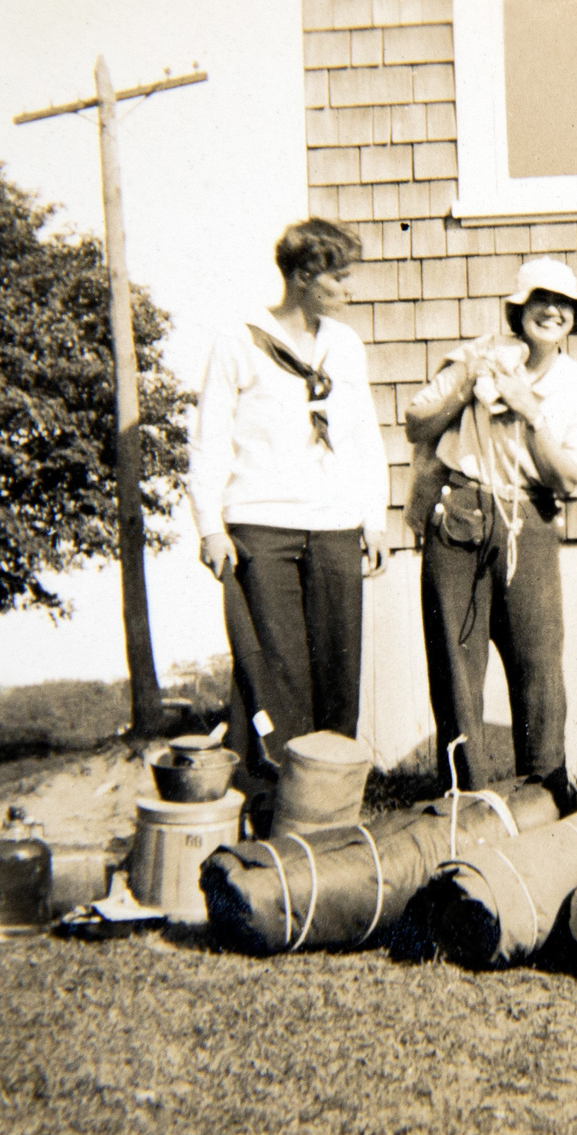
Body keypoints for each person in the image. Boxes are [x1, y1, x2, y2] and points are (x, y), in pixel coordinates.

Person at [188, 217, 388, 782]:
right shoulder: (238, 341)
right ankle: (272, 809)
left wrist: (373, 518)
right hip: (261, 526)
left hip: (334, 527)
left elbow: (363, 436)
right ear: (303, 277)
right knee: (277, 678)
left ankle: (328, 806)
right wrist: (209, 527)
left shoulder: (344, 346)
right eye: (339, 278)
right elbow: (208, 439)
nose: (350, 290)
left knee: (337, 675)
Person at [404, 258, 577, 789]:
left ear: (575, 318)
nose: (552, 311)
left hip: (530, 519)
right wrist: (470, 378)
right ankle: (464, 801)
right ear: (518, 309)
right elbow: (416, 423)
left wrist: (529, 410)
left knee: (539, 671)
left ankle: (543, 799)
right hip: (463, 513)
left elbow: (567, 477)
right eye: (540, 299)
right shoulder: (476, 355)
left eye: (564, 304)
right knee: (456, 669)